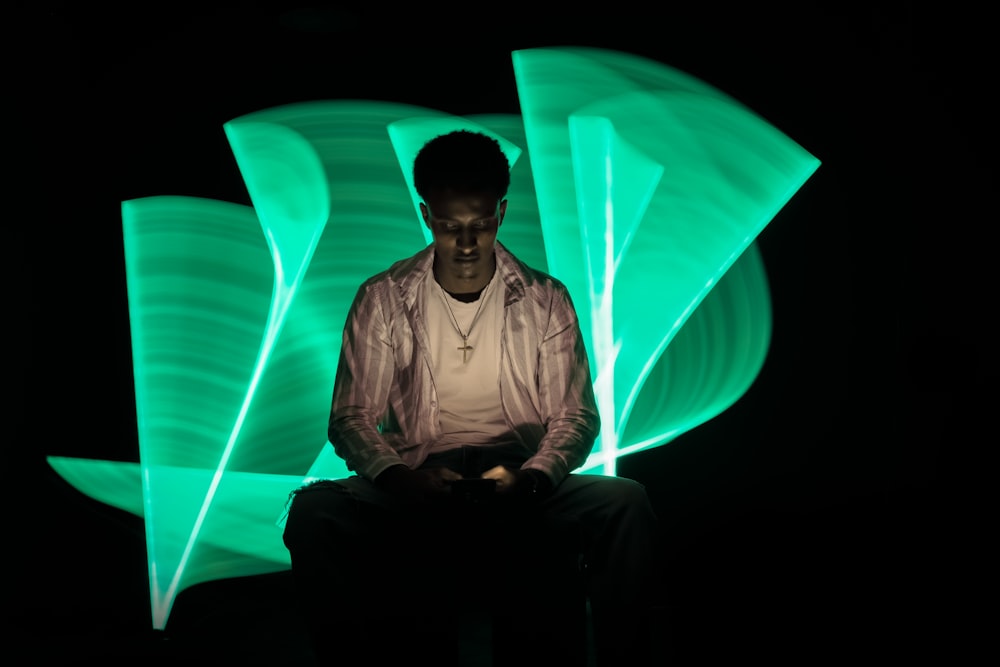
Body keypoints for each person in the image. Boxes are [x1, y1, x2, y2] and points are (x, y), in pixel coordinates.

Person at [282, 129, 660, 666]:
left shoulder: (545, 299)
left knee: (627, 502)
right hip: (415, 473)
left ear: (501, 214)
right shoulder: (383, 297)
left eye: (480, 226)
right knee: (315, 513)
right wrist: (401, 481)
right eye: (449, 226)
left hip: (519, 475)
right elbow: (350, 418)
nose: (465, 244)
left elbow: (573, 416)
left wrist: (530, 480)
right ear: (426, 215)